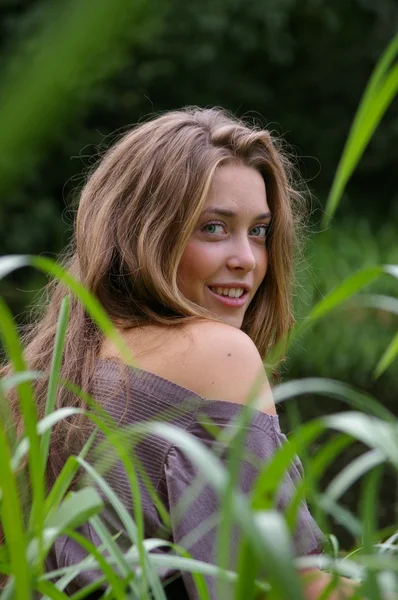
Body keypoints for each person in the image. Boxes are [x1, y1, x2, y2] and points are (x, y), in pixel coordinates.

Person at [3, 107, 356, 599]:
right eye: (213, 228)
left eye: (258, 231)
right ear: (143, 233)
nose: (247, 259)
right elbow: (288, 583)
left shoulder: (53, 371)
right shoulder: (219, 354)